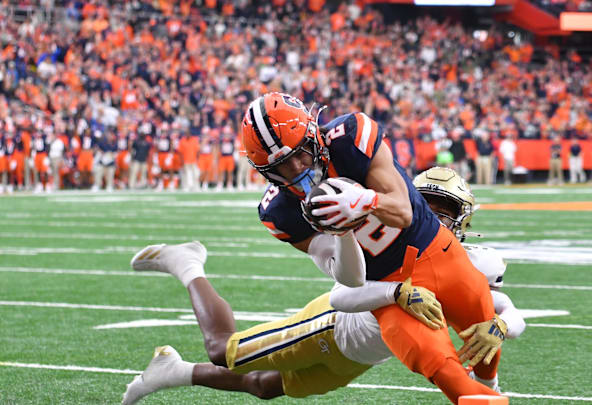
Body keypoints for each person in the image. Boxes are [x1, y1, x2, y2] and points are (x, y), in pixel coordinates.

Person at [121, 167, 525, 404]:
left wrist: (501, 326)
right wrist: (396, 292)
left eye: (446, 212)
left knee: (264, 387)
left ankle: (173, 370)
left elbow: (506, 307)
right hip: (333, 325)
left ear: (463, 220)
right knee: (223, 351)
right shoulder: (388, 240)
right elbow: (341, 294)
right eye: (429, 208)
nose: (436, 220)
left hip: (361, 357)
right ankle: (187, 263)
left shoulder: (471, 262)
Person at [241, 93, 501, 403]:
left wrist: (364, 201)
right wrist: (342, 231)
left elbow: (403, 213)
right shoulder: (281, 213)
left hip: (437, 251)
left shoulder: (350, 138)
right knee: (448, 374)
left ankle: (493, 389)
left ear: (314, 135)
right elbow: (349, 280)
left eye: (300, 153)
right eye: (283, 166)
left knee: (485, 343)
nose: (297, 167)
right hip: (390, 290)